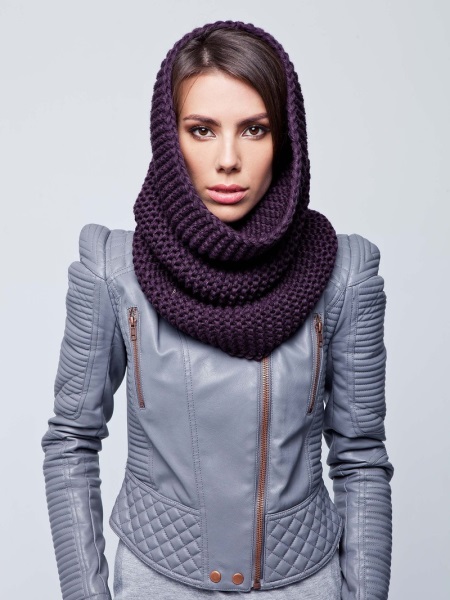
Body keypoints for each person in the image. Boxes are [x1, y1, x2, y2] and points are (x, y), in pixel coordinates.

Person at [41, 20, 394, 600]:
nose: (228, 159)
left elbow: (360, 458)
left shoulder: (344, 274)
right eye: (202, 130)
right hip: (156, 582)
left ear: (287, 139)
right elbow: (70, 442)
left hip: (305, 583)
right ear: (169, 138)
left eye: (255, 129)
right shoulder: (112, 271)